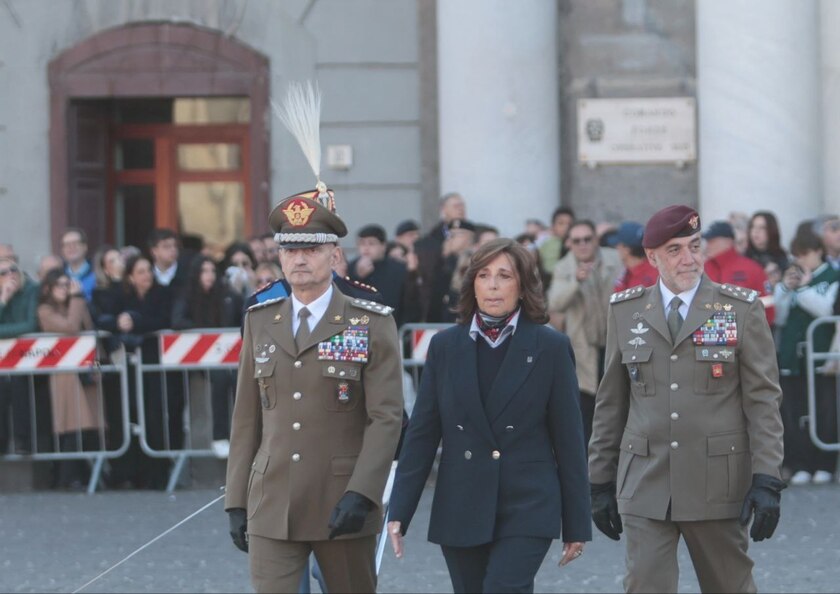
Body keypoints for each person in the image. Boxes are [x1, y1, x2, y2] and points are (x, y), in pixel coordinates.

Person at [590, 205, 786, 593]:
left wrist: (767, 478)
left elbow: (763, 400)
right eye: (675, 249)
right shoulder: (627, 312)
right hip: (646, 479)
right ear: (652, 257)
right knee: (645, 585)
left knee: (729, 585)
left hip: (717, 482)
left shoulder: (738, 308)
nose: (689, 258)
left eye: (695, 246)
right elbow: (611, 401)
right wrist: (598, 480)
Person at [224, 186, 404, 593]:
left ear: (333, 255)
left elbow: (386, 416)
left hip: (341, 498)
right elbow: (247, 416)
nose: (299, 258)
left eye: (311, 248)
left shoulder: (369, 322)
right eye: (289, 250)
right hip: (272, 498)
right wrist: (236, 498)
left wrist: (364, 492)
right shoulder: (260, 320)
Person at [387, 238, 591, 593]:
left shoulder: (551, 347)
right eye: (483, 275)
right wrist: (400, 509)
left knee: (504, 587)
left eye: (504, 276)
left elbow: (569, 439)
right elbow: (423, 432)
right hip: (462, 500)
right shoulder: (445, 346)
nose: (493, 285)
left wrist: (576, 523)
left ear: (523, 286)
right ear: (472, 285)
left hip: (528, 502)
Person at [547, 220, 622, 446]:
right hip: (584, 349)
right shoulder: (563, 267)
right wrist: (575, 282)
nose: (582, 245)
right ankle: (590, 466)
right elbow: (554, 302)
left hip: (614, 344)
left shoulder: (614, 258)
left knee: (616, 402)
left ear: (596, 240)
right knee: (587, 406)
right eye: (576, 241)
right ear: (569, 243)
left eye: (587, 239)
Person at [774, 230, 839, 485]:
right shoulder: (792, 280)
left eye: (805, 254)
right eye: (797, 256)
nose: (801, 261)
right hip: (793, 358)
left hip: (821, 358)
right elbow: (779, 317)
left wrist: (802, 289)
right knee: (795, 413)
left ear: (818, 252)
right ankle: (801, 463)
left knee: (825, 411)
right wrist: (784, 288)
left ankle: (824, 464)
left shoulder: (832, 277)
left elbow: (826, 311)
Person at [36, 269, 105, 489]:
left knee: (89, 428)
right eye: (60, 285)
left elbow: (88, 331)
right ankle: (67, 477)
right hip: (64, 375)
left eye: (68, 284)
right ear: (49, 288)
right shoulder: (45, 310)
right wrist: (77, 299)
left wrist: (97, 364)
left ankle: (89, 475)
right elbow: (70, 327)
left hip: (84, 372)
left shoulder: (77, 304)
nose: (65, 289)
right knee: (71, 427)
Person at [172, 255, 244, 458]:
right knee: (220, 379)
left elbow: (243, 318)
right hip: (200, 359)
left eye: (212, 271)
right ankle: (219, 436)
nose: (209, 276)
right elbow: (177, 320)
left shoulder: (228, 295)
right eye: (204, 271)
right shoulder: (187, 296)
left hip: (228, 357)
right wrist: (201, 335)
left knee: (237, 379)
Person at [0, 253, 38, 454]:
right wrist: (4, 299)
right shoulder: (2, 294)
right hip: (3, 360)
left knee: (20, 386)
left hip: (29, 357)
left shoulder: (31, 289)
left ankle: (23, 442)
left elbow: (31, 324)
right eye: (3, 272)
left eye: (13, 270)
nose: (10, 275)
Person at [703, 220, 774, 324]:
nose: (707, 246)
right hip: (705, 336)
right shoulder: (702, 269)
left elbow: (768, 311)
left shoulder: (752, 269)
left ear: (728, 241)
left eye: (712, 241)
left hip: (745, 336)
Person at [348, 224, 408, 323]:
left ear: (383, 246)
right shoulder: (351, 268)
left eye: (371, 244)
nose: (366, 248)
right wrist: (357, 276)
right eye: (362, 244)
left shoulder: (398, 269)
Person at [610, 221, 657, 292]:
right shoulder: (627, 271)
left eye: (618, 244)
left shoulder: (651, 277)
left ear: (626, 249)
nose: (616, 248)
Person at [745, 211, 789, 284]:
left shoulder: (781, 256)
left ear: (771, 230)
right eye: (753, 227)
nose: (756, 231)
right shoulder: (744, 255)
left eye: (762, 228)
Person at [60, 228, 96, 301]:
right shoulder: (59, 275)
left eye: (76, 243)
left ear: (85, 247)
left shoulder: (98, 272)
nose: (71, 247)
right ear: (62, 250)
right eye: (67, 244)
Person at [538, 206, 575, 277]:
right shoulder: (549, 243)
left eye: (570, 224)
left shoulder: (576, 241)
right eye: (561, 223)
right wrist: (564, 250)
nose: (566, 227)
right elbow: (550, 270)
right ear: (553, 225)